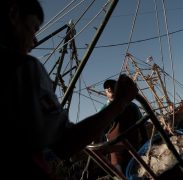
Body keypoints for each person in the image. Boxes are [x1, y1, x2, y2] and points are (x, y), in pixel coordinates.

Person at [1, 0, 139, 179]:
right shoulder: (23, 68)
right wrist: (120, 103)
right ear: (13, 15)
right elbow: (64, 143)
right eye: (34, 28)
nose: (34, 41)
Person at [100, 79, 148, 173]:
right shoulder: (104, 111)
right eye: (107, 89)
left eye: (113, 86)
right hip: (116, 154)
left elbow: (142, 127)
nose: (110, 89)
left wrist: (145, 145)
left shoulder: (132, 107)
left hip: (135, 149)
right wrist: (105, 152)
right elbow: (99, 133)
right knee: (121, 174)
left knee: (139, 173)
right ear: (105, 92)